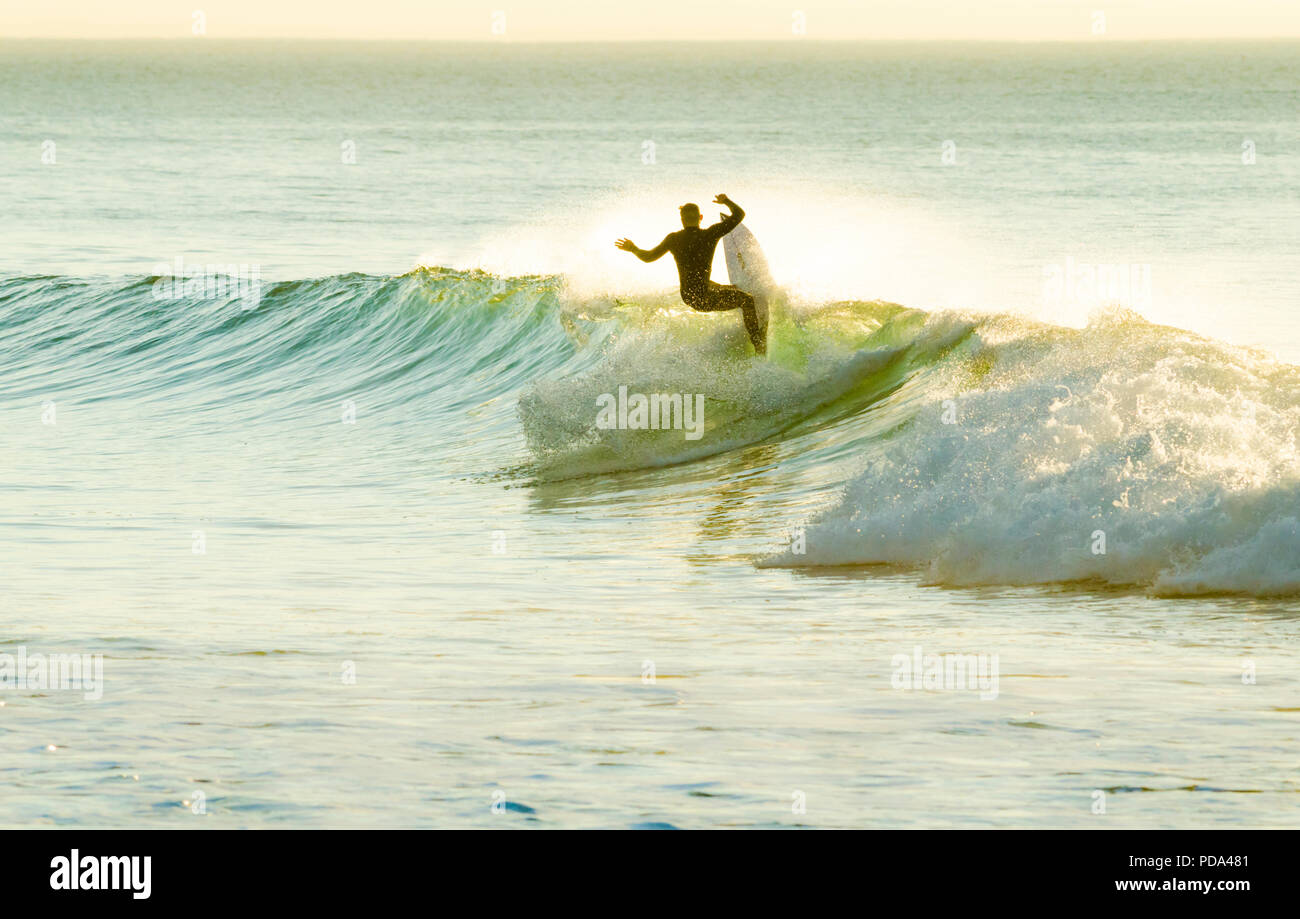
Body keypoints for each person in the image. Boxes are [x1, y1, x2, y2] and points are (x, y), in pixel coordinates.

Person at [616, 194, 766, 354]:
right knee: (747, 300)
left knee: (702, 280)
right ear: (700, 217)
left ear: (681, 219)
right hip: (705, 295)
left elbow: (648, 257)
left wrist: (633, 248)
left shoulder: (673, 239)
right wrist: (726, 201)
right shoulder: (710, 234)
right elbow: (739, 215)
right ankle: (758, 343)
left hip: (689, 296)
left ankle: (723, 290)